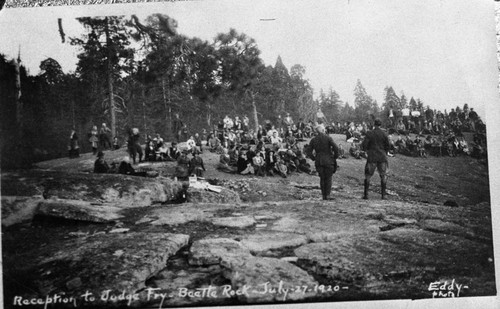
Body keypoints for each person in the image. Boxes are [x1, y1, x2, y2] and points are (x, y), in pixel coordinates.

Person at [307, 124, 339, 200]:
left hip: (318, 161)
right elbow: (335, 147)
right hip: (328, 160)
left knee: (322, 178)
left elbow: (308, 151)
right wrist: (335, 156)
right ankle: (327, 195)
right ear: (323, 130)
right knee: (328, 178)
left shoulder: (313, 140)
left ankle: (323, 195)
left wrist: (313, 158)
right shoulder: (328, 138)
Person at [361, 119, 390, 200]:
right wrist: (384, 152)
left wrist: (367, 151)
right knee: (383, 176)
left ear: (374, 124)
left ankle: (366, 195)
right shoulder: (384, 133)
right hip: (382, 157)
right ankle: (383, 195)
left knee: (368, 176)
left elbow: (364, 144)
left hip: (372, 157)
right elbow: (388, 145)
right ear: (380, 125)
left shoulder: (370, 133)